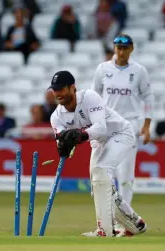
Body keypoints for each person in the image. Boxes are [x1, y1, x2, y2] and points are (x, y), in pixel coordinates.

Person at [49, 70, 147, 237]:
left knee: (101, 172)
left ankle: (105, 230)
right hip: (98, 142)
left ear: (72, 88)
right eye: (54, 90)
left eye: (61, 89)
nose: (57, 94)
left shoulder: (89, 97)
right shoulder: (56, 117)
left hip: (120, 133)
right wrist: (63, 146)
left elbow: (101, 129)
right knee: (99, 186)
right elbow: (62, 141)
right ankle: (135, 223)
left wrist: (79, 135)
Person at [91, 34, 154, 231]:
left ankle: (125, 223)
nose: (121, 51)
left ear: (131, 49)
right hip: (107, 126)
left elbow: (148, 97)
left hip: (130, 125)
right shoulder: (103, 69)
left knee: (125, 177)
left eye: (125, 48)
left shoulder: (139, 71)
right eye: (118, 47)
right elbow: (94, 96)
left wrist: (146, 125)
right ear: (114, 48)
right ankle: (106, 221)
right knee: (102, 175)